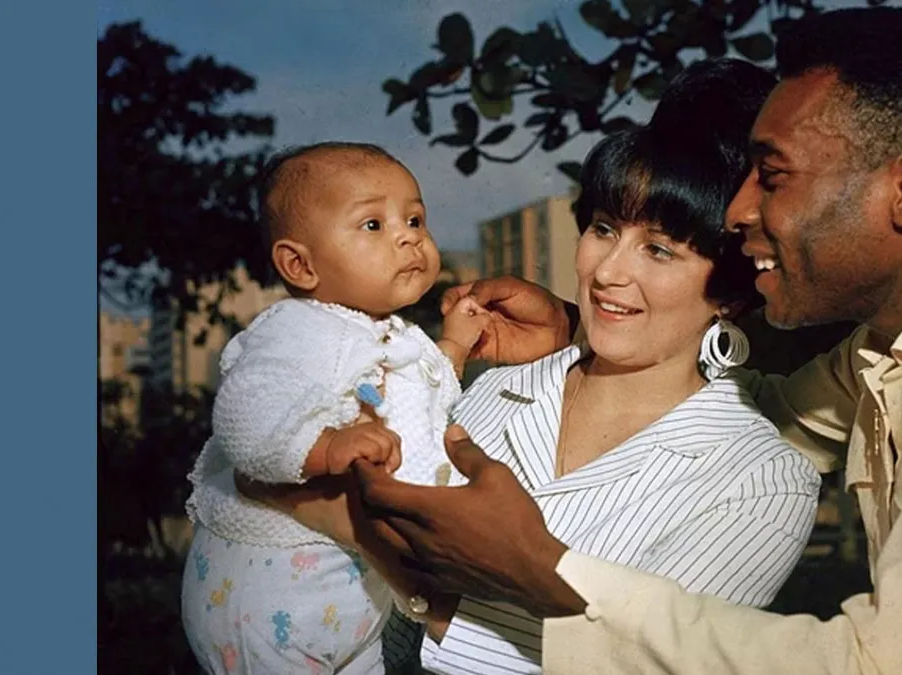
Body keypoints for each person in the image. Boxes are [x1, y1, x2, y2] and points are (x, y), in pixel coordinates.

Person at [348, 8, 902, 675]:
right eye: (605, 229)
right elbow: (746, 408)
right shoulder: (890, 349)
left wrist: (543, 567)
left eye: (772, 176)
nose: (739, 210)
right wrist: (588, 326)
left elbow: (882, 664)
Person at [242, 59, 824, 675]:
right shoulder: (493, 391)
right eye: (604, 228)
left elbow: (657, 666)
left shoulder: (762, 480)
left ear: (730, 294)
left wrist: (397, 565)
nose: (607, 272)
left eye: (658, 249)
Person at [180, 142, 490, 674]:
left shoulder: (394, 335)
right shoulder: (295, 331)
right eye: (373, 224)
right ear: (299, 264)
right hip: (269, 594)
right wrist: (325, 447)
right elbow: (244, 414)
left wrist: (454, 348)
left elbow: (419, 404)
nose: (408, 235)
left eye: (415, 218)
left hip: (352, 595)